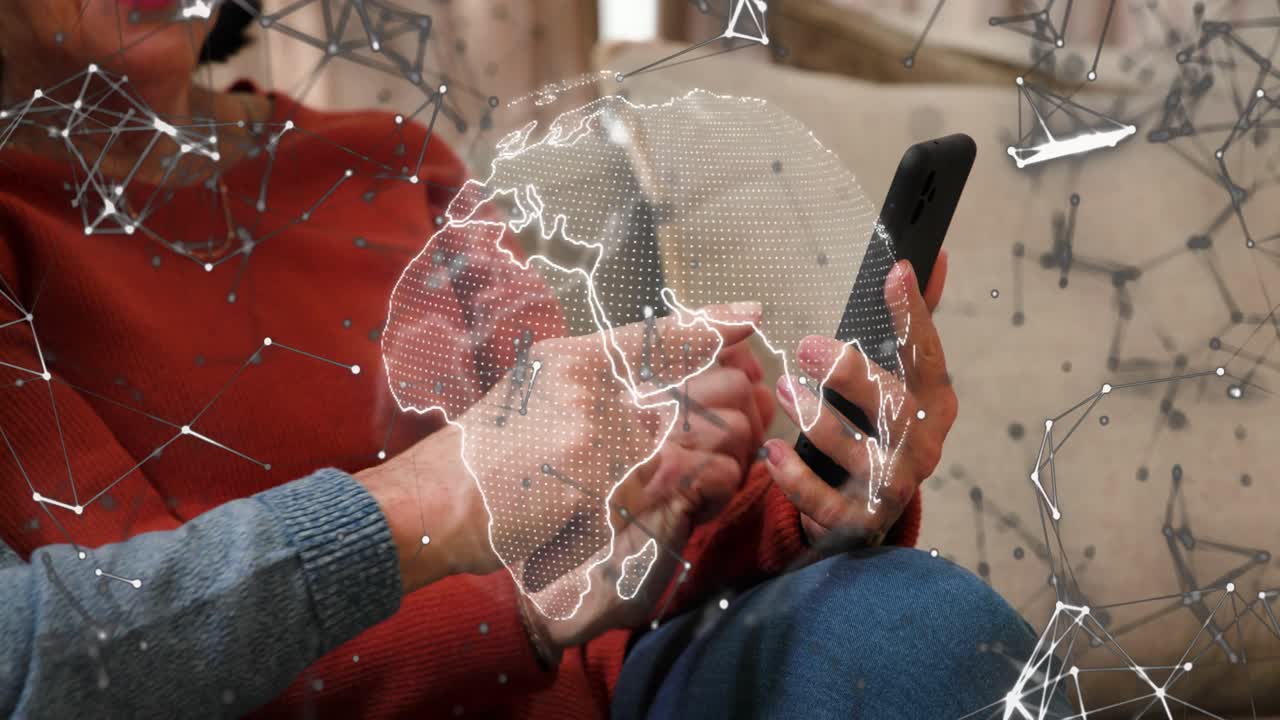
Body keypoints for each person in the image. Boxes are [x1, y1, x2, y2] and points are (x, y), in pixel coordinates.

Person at [0, 2, 1067, 719]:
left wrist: (812, 500)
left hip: (612, 689)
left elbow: (605, 539)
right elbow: (122, 659)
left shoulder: (387, 159)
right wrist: (485, 564)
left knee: (917, 625)